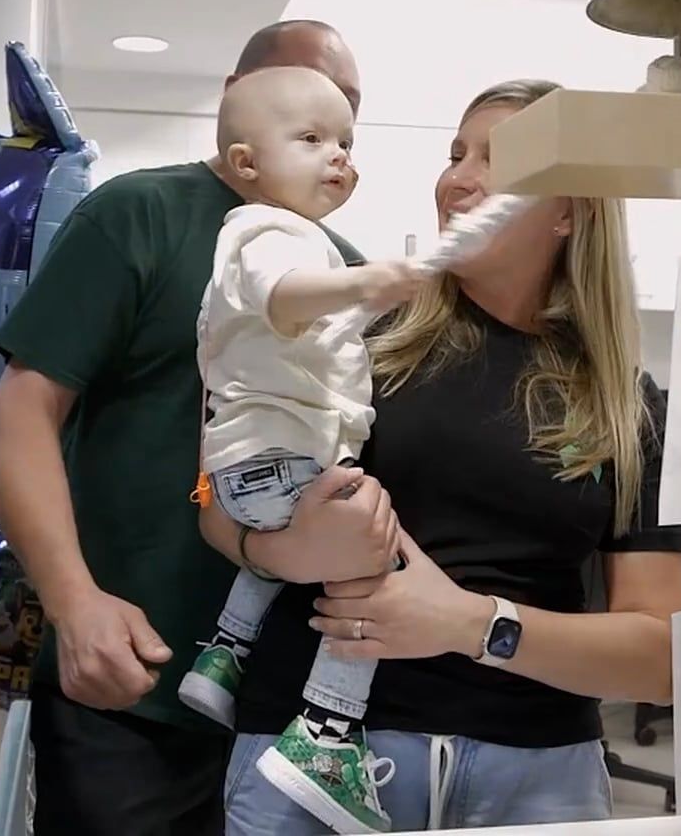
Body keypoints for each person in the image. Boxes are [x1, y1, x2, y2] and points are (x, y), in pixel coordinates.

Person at [214, 80, 681, 833]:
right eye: (456, 154)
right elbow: (212, 494)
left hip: (536, 775)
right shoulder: (350, 339)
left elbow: (659, 659)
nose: (458, 180)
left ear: (570, 211)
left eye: (497, 159)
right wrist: (278, 548)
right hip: (318, 759)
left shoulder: (624, 405)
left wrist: (473, 624)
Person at [0, 20, 402, 835]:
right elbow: (20, 413)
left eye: (345, 113)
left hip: (281, 706)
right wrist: (74, 602)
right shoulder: (139, 215)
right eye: (304, 101)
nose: (330, 131)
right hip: (133, 680)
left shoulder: (342, 266)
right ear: (235, 106)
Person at [174, 66, 418, 832]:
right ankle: (327, 732)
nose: (338, 155)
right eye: (310, 138)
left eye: (345, 141)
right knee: (375, 570)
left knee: (288, 555)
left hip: (256, 466)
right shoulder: (266, 232)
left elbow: (306, 332)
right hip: (276, 459)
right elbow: (283, 299)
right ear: (246, 164)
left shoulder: (297, 241)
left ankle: (223, 655)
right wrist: (366, 282)